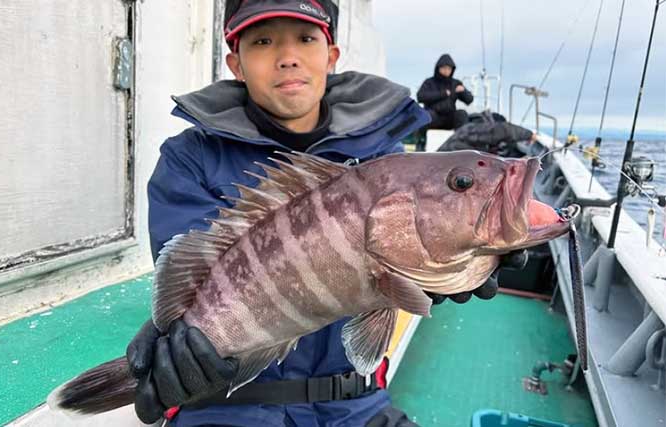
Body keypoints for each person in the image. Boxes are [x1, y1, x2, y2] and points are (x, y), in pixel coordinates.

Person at [125, 2, 525, 426]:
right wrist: (181, 349)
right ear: (235, 64)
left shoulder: (382, 160)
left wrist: (462, 259)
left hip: (356, 405)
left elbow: (403, 262)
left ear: (331, 56)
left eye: (306, 38)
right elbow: (190, 278)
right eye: (263, 41)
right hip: (230, 405)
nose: (288, 56)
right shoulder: (190, 158)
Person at [438, 111, 537, 156]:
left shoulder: (472, 134)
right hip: (438, 171)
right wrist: (529, 135)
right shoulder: (472, 128)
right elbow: (504, 130)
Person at [417, 54, 473, 130]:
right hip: (434, 117)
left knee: (462, 114)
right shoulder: (429, 82)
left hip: (449, 118)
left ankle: (462, 140)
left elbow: (469, 100)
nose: (446, 71)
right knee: (426, 115)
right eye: (444, 68)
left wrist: (464, 91)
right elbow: (420, 96)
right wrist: (443, 94)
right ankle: (421, 140)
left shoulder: (455, 83)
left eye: (449, 68)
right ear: (438, 68)